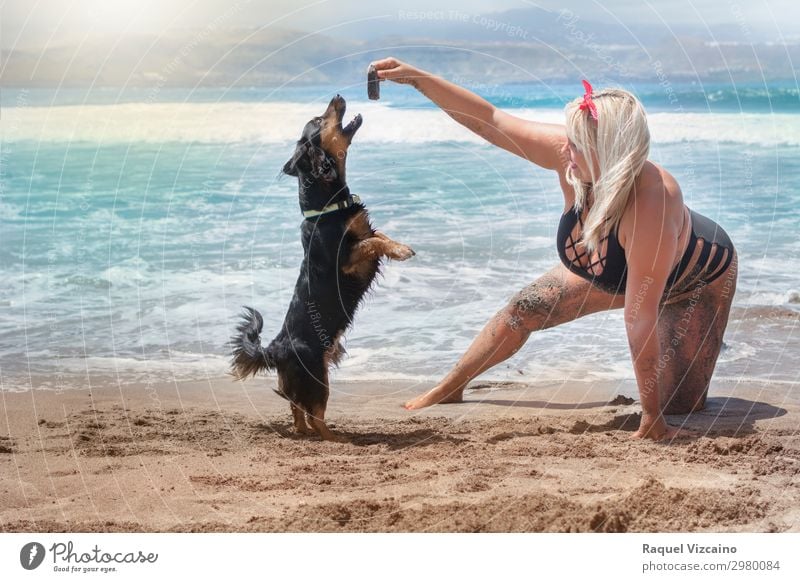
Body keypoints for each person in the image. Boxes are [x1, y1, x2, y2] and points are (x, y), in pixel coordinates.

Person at [370, 57, 738, 441]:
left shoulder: (652, 203)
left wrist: (652, 418)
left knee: (677, 405)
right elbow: (491, 121)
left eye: (577, 144)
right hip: (621, 271)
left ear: (609, 152)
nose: (566, 150)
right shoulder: (572, 156)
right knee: (525, 307)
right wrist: (418, 78)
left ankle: (698, 347)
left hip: (693, 283)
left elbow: (639, 315)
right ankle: (449, 387)